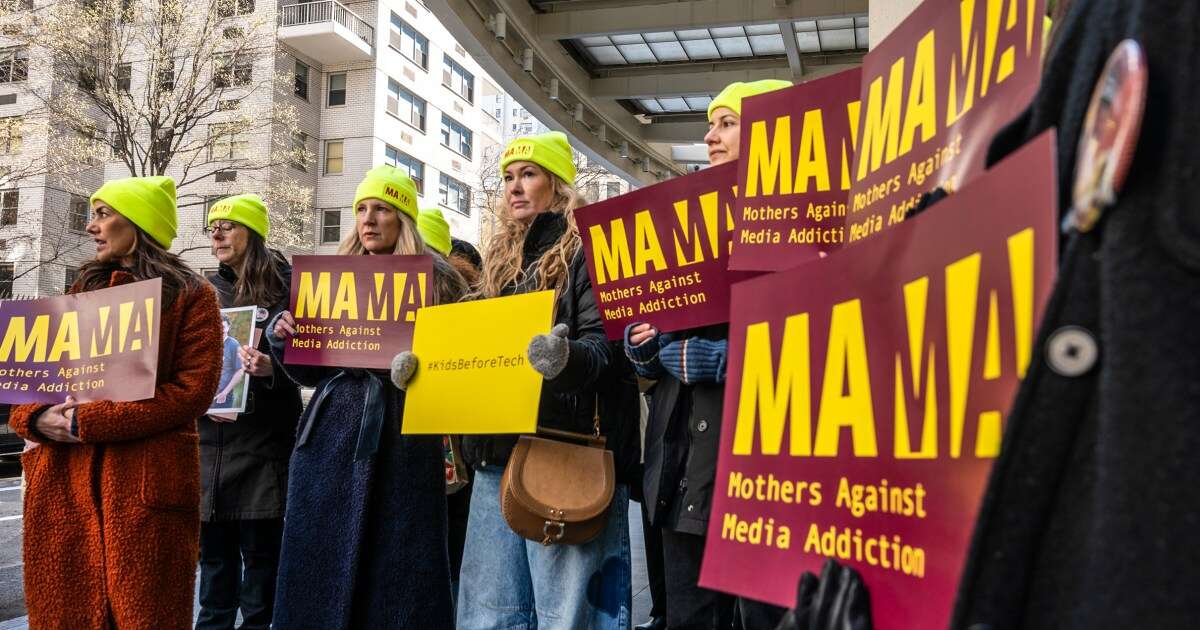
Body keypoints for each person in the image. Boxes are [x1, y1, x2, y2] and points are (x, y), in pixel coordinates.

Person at [425, 131, 638, 630]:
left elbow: (608, 351)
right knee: (489, 614)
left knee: (570, 615)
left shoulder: (592, 252)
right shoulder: (498, 261)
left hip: (565, 454)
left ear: (559, 185)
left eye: (528, 175)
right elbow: (470, 352)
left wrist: (562, 357)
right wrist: (424, 368)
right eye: (507, 178)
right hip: (495, 457)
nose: (514, 187)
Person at [10, 176, 223, 628]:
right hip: (65, 484)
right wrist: (37, 419)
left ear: (140, 222)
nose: (91, 226)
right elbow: (33, 385)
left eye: (104, 214)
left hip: (145, 485)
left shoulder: (193, 295)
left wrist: (87, 423)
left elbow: (192, 392)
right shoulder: (78, 292)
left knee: (144, 614)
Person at [267, 166, 467, 629]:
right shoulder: (329, 278)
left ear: (403, 219)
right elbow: (306, 372)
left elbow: (455, 366)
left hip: (404, 439)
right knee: (321, 567)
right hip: (330, 440)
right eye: (361, 209)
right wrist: (283, 337)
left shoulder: (439, 281)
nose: (368, 219)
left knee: (399, 570)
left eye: (381, 208)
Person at [624, 79, 791, 630]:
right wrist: (645, 346)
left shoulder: (809, 225)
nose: (709, 135)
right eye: (711, 123)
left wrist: (718, 360)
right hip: (680, 472)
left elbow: (823, 342)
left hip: (762, 477)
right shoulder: (682, 225)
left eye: (727, 123)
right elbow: (658, 346)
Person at [196, 193, 304, 630]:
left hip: (263, 451)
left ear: (253, 233)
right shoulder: (205, 293)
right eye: (212, 227)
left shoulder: (293, 287)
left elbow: (317, 365)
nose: (217, 234)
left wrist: (270, 370)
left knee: (261, 580)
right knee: (214, 575)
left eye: (228, 225)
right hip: (209, 450)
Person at [213, 314, 245, 408]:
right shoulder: (210, 344)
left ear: (228, 327)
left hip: (223, 396)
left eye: (223, 327)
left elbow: (240, 371)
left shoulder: (233, 344)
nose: (221, 330)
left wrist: (224, 393)